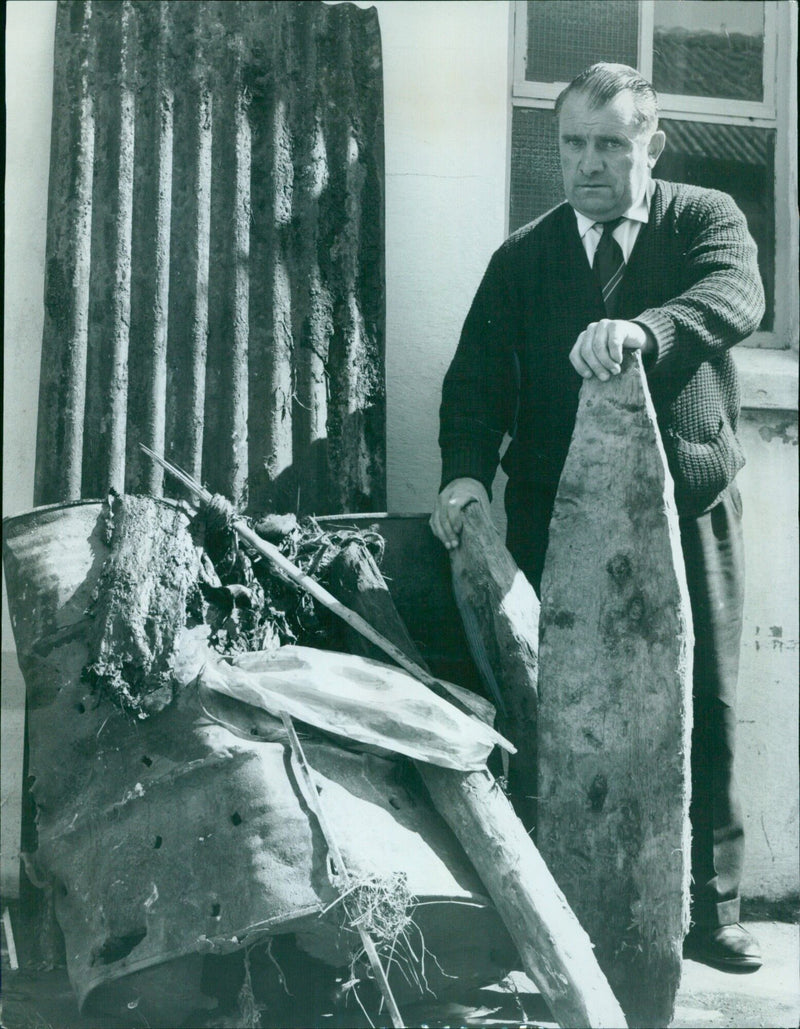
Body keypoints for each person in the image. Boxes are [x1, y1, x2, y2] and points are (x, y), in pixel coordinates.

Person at [430, 62, 764, 972]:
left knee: (706, 700)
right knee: (548, 701)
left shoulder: (705, 219)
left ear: (651, 145)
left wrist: (642, 330)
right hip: (553, 512)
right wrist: (463, 477)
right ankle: (554, 901)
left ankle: (712, 911)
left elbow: (735, 298)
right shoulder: (524, 257)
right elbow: (474, 384)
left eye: (612, 144)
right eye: (573, 143)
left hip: (689, 499)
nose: (589, 163)